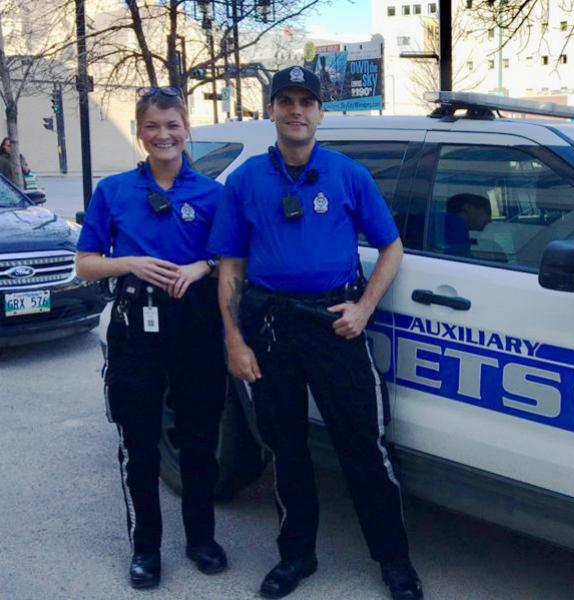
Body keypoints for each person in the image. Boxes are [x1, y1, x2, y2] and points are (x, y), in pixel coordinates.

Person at [207, 65, 421, 600]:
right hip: (273, 327)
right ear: (272, 111)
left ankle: (394, 560)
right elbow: (230, 265)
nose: (296, 110)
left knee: (365, 447)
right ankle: (296, 556)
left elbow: (391, 248)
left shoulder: (349, 175)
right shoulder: (246, 181)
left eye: (306, 101)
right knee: (287, 448)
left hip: (335, 324)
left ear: (321, 112)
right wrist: (235, 340)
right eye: (286, 101)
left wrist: (365, 308)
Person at [75, 86, 228, 589]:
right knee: (139, 441)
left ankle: (201, 538)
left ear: (187, 129)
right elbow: (85, 264)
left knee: (199, 438)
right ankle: (146, 548)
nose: (163, 135)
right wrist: (131, 262)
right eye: (152, 126)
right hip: (136, 324)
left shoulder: (212, 194)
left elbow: (232, 259)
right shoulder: (114, 192)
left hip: (196, 323)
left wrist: (201, 266)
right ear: (140, 132)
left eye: (172, 125)